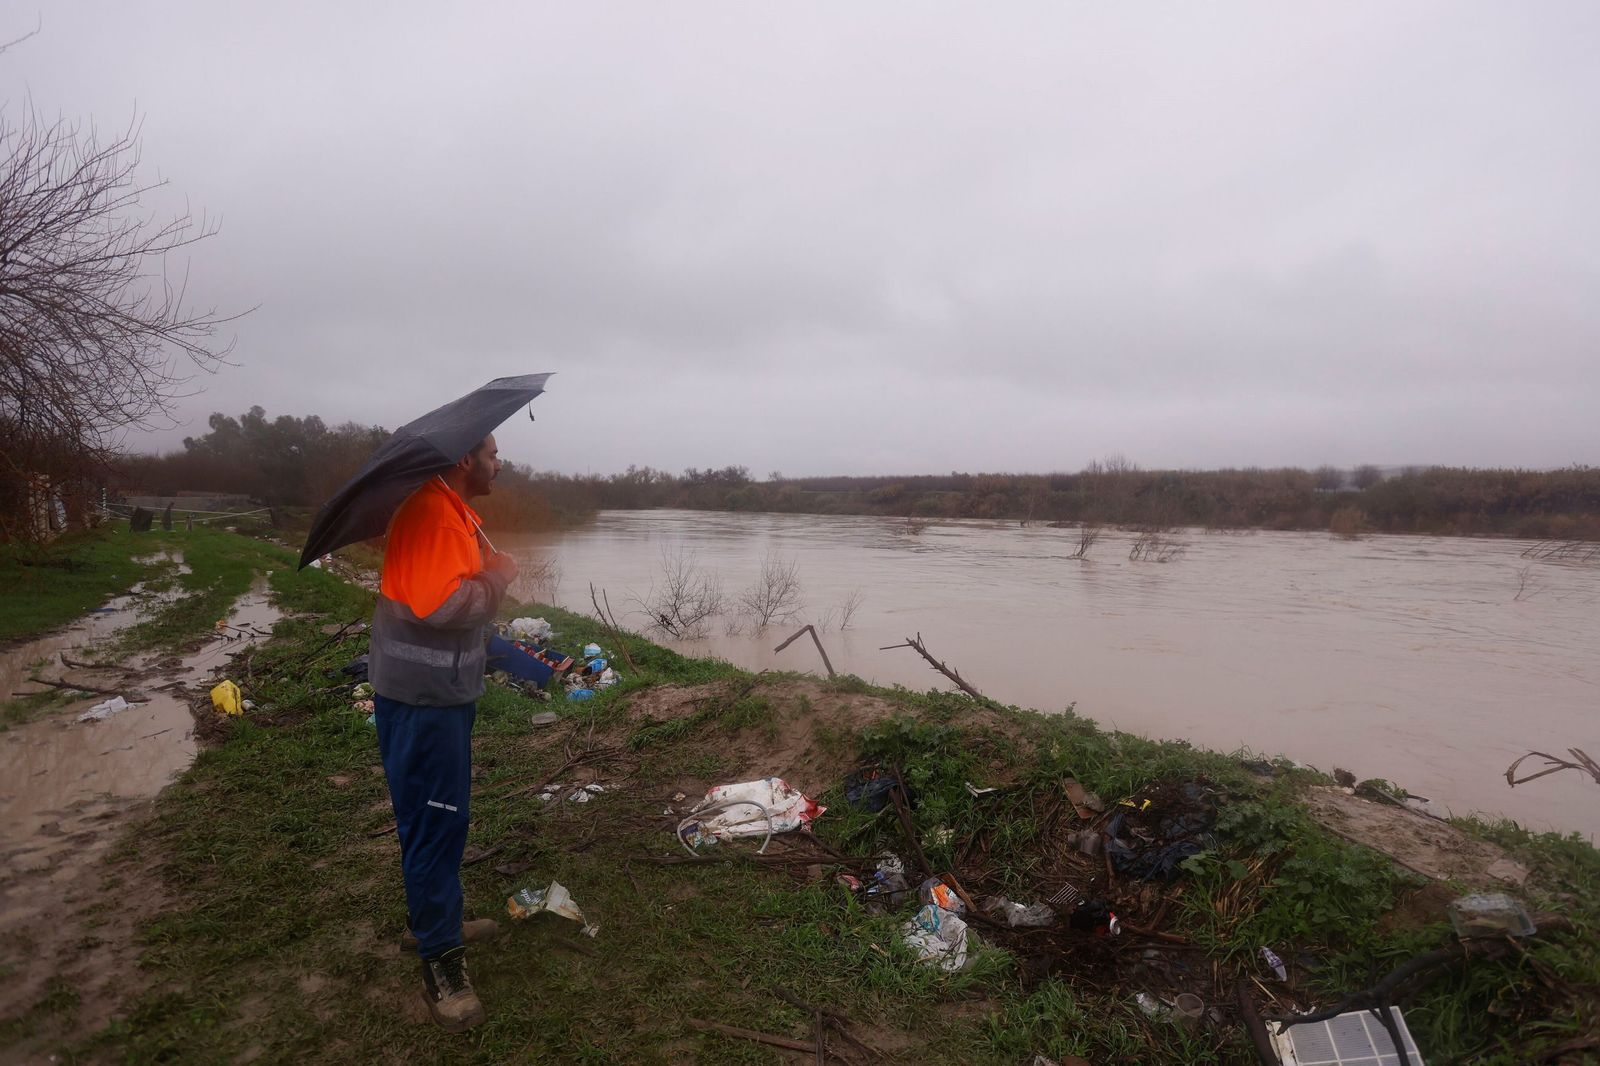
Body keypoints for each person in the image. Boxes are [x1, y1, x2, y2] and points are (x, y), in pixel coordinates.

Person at [368, 433, 518, 1032]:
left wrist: (487, 567)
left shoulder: (451, 510)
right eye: (491, 453)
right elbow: (446, 608)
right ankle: (440, 963)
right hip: (424, 700)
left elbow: (442, 590)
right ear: (465, 459)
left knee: (437, 816)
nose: (498, 463)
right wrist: (500, 579)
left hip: (432, 694)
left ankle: (438, 921)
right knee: (435, 819)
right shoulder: (434, 514)